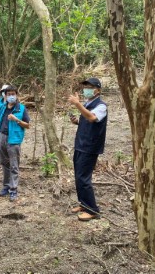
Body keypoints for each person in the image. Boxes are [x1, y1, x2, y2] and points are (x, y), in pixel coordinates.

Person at [68, 77, 107, 221]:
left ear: (98, 90)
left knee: (84, 178)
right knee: (78, 176)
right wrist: (77, 121)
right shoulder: (88, 103)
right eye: (86, 86)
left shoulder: (102, 106)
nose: (87, 89)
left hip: (90, 147)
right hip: (80, 144)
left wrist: (77, 104)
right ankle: (83, 204)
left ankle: (92, 210)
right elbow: (87, 120)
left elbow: (92, 118)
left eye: (90, 87)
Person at [0, 86, 30, 201]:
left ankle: (13, 189)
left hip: (14, 139)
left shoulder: (21, 108)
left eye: (13, 94)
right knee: (4, 163)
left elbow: (28, 125)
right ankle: (6, 186)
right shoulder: (2, 107)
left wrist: (16, 119)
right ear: (5, 96)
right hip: (2, 137)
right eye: (8, 94)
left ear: (16, 95)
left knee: (14, 165)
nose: (11, 96)